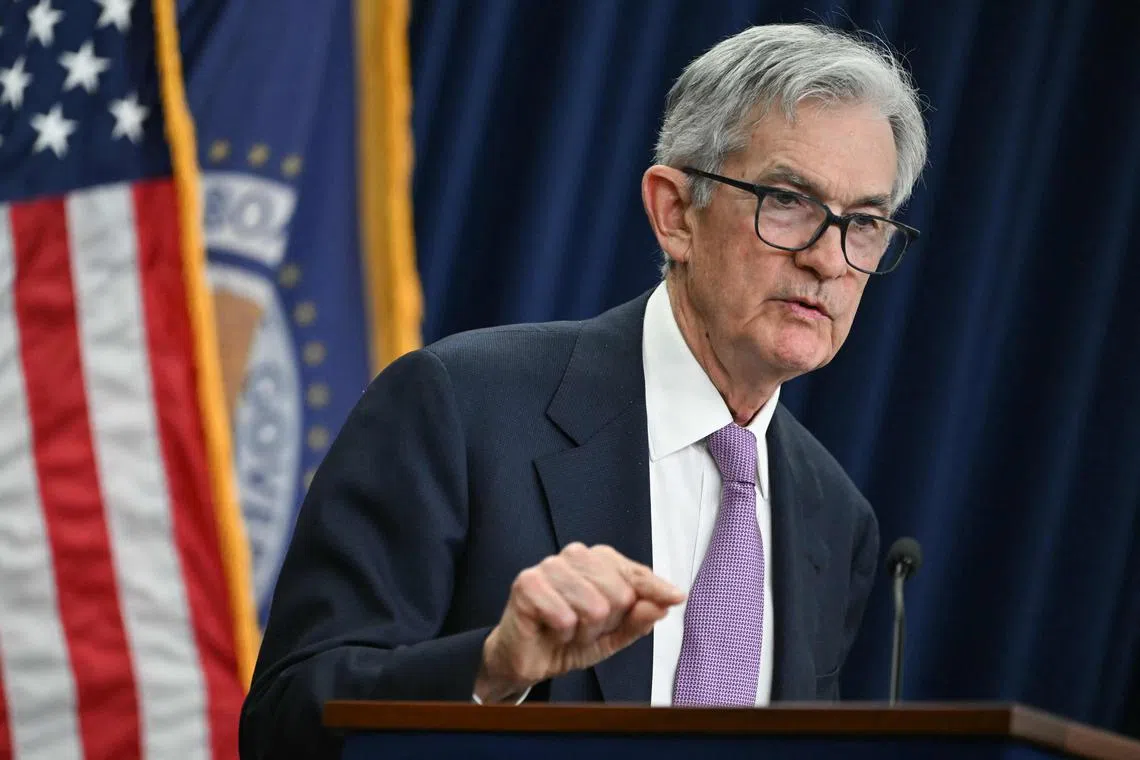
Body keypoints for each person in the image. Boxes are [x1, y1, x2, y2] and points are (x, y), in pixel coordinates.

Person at [239, 22, 928, 759]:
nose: (830, 260)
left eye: (864, 222)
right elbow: (286, 722)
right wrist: (492, 671)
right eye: (788, 201)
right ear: (675, 213)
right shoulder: (460, 406)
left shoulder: (836, 518)